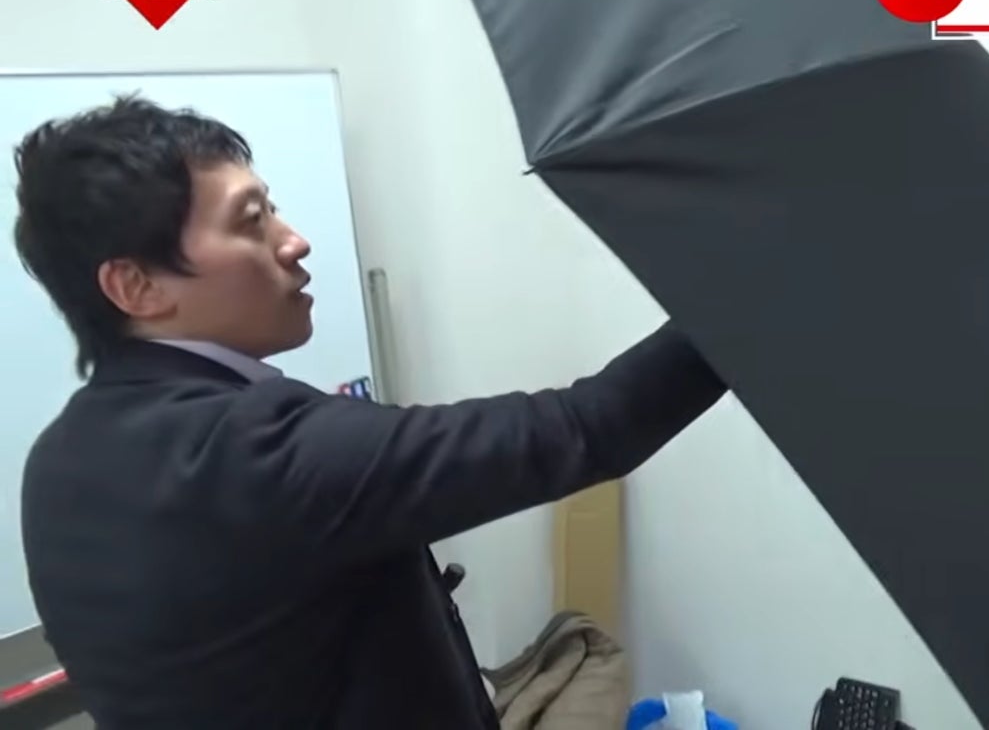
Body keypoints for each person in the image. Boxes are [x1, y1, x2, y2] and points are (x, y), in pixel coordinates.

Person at [12, 95, 729, 729]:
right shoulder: (249, 449)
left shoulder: (59, 458)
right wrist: (749, 282)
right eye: (252, 221)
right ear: (136, 286)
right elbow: (586, 428)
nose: (295, 240)